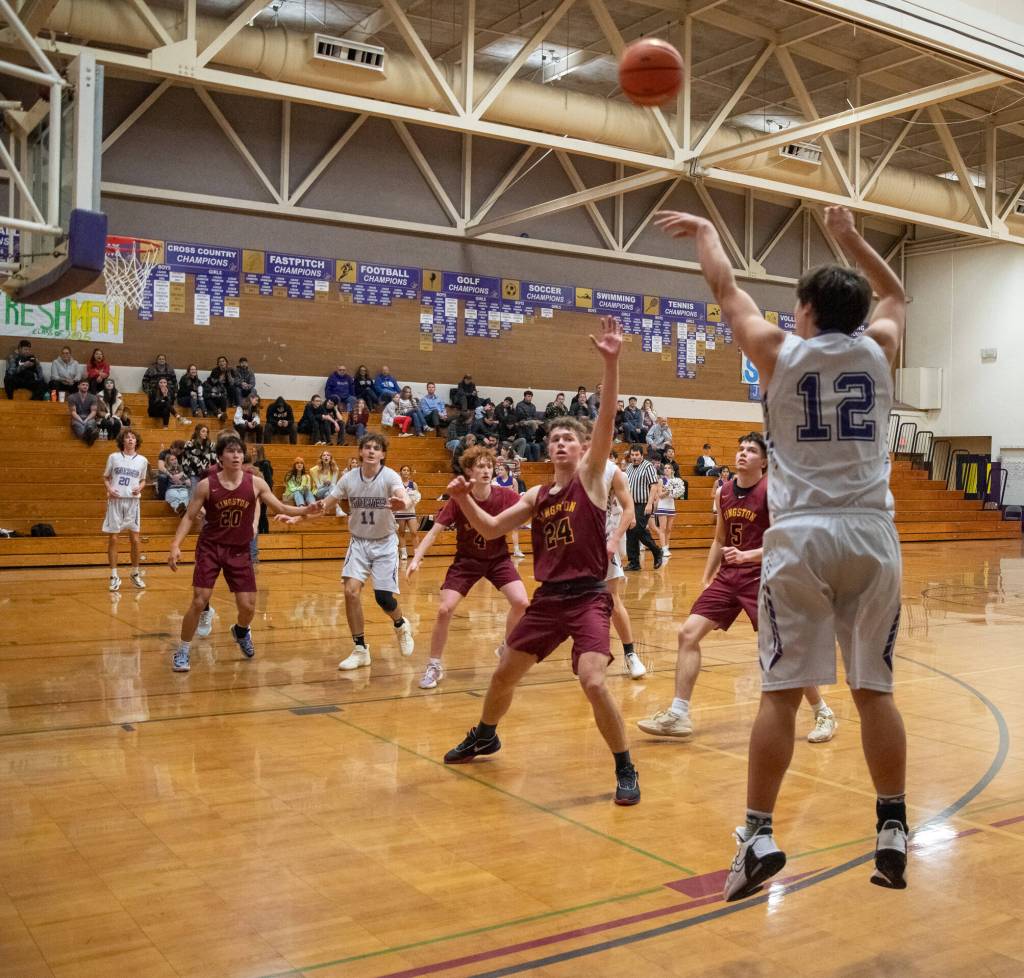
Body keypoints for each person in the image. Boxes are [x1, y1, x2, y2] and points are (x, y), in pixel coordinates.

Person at [656, 204, 908, 897]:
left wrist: (709, 234)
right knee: (873, 688)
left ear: (803, 312)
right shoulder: (879, 346)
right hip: (870, 532)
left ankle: (760, 834)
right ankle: (891, 825)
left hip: (799, 536)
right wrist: (852, 238)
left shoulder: (779, 352)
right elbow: (895, 294)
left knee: (780, 693)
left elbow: (725, 291)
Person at [440, 317, 640, 806]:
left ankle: (625, 766)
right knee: (504, 672)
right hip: (549, 599)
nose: (560, 443)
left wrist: (611, 363)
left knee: (593, 680)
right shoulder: (535, 494)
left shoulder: (592, 477)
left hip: (589, 596)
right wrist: (463, 498)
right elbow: (489, 530)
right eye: (554, 440)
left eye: (569, 439)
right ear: (546, 450)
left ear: (583, 448)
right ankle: (486, 734)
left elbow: (608, 418)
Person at [638, 433, 837, 741]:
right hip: (729, 577)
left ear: (764, 460)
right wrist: (707, 577)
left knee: (783, 652)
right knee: (687, 633)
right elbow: (720, 538)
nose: (743, 453)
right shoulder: (725, 491)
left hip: (766, 577)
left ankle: (823, 711)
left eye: (751, 450)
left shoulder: (775, 491)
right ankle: (678, 714)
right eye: (740, 448)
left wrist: (748, 555)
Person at [167, 431, 314, 672]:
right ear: (220, 457)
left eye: (239, 451)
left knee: (248, 607)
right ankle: (183, 650)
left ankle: (241, 631)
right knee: (199, 600)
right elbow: (189, 516)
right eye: (230, 451)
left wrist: (308, 509)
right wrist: (175, 545)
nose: (236, 455)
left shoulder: (255, 483)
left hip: (239, 550)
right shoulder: (206, 485)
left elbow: (280, 506)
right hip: (211, 548)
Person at [287, 433, 414, 670]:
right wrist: (298, 518)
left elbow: (402, 495)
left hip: (385, 543)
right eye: (367, 447)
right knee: (350, 592)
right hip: (359, 542)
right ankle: (360, 649)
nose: (371, 451)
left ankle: (400, 624)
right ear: (360, 452)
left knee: (383, 598)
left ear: (383, 454)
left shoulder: (389, 476)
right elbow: (325, 505)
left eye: (377, 448)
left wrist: (402, 502)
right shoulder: (348, 478)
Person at [408, 445, 529, 690]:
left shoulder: (505, 495)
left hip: (498, 559)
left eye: (489, 466)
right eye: (480, 466)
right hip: (467, 562)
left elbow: (530, 512)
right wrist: (416, 557)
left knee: (522, 602)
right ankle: (434, 664)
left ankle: (507, 645)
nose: (486, 470)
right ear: (470, 471)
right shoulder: (459, 499)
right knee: (444, 609)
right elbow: (434, 532)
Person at [102, 428, 148, 591]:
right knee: (114, 539)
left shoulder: (142, 460)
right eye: (127, 437)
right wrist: (109, 489)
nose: (130, 440)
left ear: (136, 441)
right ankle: (114, 575)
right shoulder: (113, 457)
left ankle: (135, 573)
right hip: (116, 500)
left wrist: (140, 488)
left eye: (133, 437)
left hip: (133, 502)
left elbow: (143, 480)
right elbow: (106, 477)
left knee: (135, 539)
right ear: (122, 441)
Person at [623, 446, 663, 571]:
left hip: (643, 504)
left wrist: (650, 503)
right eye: (632, 455)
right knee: (630, 532)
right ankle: (634, 562)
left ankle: (657, 551)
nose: (634, 457)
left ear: (641, 455)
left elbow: (654, 486)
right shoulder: (628, 468)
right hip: (630, 504)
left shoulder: (648, 466)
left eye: (636, 455)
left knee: (638, 529)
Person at [653, 462, 687, 556]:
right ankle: (663, 549)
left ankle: (667, 547)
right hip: (662, 506)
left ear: (672, 470)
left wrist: (676, 493)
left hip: (671, 506)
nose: (666, 469)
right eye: (665, 468)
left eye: (668, 468)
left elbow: (676, 495)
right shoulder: (661, 481)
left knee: (669, 529)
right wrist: (668, 491)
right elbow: (660, 495)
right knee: (662, 528)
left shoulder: (676, 481)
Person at [394, 464, 420, 560]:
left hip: (411, 512)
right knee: (401, 532)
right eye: (404, 470)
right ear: (401, 472)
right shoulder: (397, 485)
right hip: (400, 512)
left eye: (407, 470)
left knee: (414, 532)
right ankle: (403, 553)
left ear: (410, 472)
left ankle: (417, 553)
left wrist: (412, 503)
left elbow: (417, 497)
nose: (406, 471)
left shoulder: (413, 484)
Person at [182, 424, 217, 489]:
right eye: (203, 431)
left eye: (207, 432)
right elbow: (185, 461)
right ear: (197, 432)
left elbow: (214, 461)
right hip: (193, 475)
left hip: (206, 475)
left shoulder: (211, 445)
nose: (205, 433)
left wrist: (214, 475)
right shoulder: (189, 444)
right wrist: (186, 477)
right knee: (193, 497)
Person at [68, 378, 99, 445]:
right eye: (83, 385)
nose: (85, 386)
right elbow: (73, 412)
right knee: (79, 427)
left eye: (87, 385)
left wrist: (86, 420)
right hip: (77, 418)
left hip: (89, 418)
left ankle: (89, 435)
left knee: (90, 424)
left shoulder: (93, 397)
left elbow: (93, 411)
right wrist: (81, 421)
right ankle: (91, 437)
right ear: (78, 386)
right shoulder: (72, 397)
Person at [514, 390, 542, 461]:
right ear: (525, 396)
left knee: (537, 446)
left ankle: (537, 465)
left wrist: (533, 420)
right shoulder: (519, 405)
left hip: (530, 434)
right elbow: (521, 416)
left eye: (531, 397)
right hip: (522, 431)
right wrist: (530, 420)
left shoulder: (533, 406)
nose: (530, 398)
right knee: (527, 447)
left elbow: (534, 416)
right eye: (528, 396)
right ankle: (530, 465)